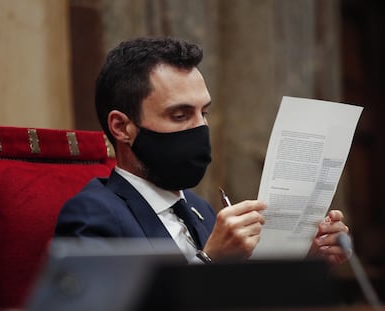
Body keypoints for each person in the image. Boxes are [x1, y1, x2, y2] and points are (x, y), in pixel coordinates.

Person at [55, 36, 350, 265]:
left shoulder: (201, 210)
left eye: (204, 113)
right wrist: (209, 261)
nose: (200, 129)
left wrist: (302, 256)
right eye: (180, 116)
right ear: (122, 127)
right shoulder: (93, 214)